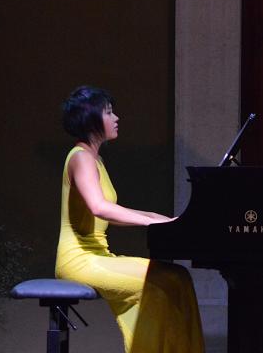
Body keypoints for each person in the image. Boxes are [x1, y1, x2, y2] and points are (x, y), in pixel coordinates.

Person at [55, 86, 205, 353]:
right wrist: (151, 223)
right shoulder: (80, 158)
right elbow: (100, 208)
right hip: (78, 261)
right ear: (91, 119)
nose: (117, 118)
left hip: (98, 255)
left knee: (178, 278)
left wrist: (170, 220)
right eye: (109, 112)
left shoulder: (94, 159)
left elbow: (114, 212)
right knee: (157, 289)